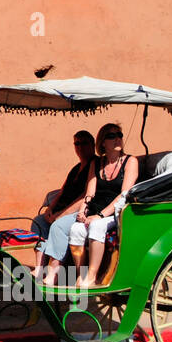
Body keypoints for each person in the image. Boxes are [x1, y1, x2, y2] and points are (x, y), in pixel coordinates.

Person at [70, 122, 139, 289]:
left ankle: (92, 276)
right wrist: (82, 212)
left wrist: (100, 216)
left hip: (118, 213)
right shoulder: (97, 163)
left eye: (119, 135)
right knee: (76, 229)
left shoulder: (130, 161)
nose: (117, 139)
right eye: (111, 136)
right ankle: (82, 274)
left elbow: (124, 195)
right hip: (95, 210)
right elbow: (90, 193)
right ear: (102, 142)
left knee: (96, 227)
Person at [30, 131, 94, 277]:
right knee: (38, 221)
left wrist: (60, 215)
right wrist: (50, 209)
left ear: (93, 145)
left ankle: (54, 272)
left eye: (84, 143)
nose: (80, 147)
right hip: (60, 209)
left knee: (58, 226)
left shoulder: (94, 165)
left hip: (81, 210)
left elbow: (84, 196)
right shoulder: (76, 168)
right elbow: (62, 191)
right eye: (77, 143)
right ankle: (40, 266)